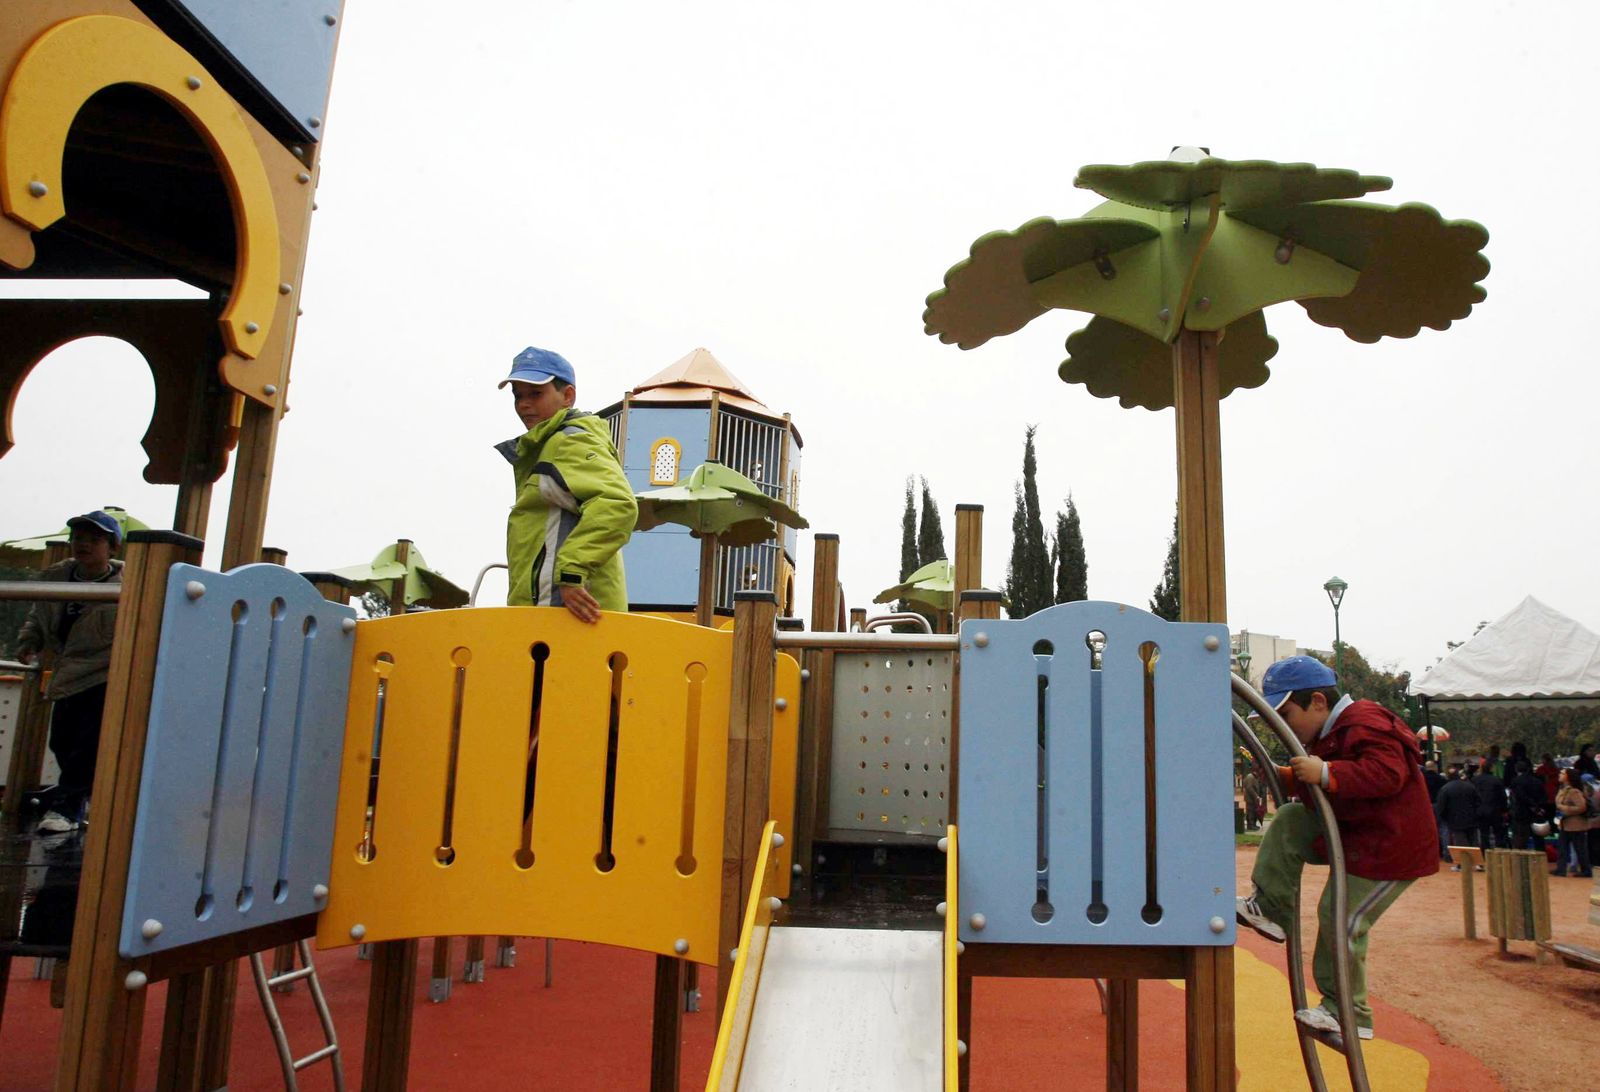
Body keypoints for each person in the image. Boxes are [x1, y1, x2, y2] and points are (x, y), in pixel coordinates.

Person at [1236, 656, 1437, 1044]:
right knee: (1292, 819)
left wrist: (1327, 773)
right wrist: (1294, 778)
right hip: (1356, 835)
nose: (1284, 727)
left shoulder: (1366, 720)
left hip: (1389, 849)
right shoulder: (1329, 735)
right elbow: (1331, 788)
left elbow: (1386, 773)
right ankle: (1271, 906)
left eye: (1287, 714)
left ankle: (1349, 1013)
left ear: (1317, 702)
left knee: (1341, 917)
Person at [495, 346, 636, 621]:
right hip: (554, 611)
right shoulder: (545, 446)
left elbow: (618, 505)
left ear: (567, 396)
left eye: (536, 394)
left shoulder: (569, 441)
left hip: (569, 613)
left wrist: (571, 573)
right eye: (518, 395)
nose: (524, 404)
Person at [12, 511, 123, 833]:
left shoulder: (127, 585)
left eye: (94, 540)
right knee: (61, 741)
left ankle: (68, 808)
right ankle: (76, 798)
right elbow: (40, 612)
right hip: (68, 673)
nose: (84, 545)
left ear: (112, 548)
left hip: (103, 673)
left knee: (86, 744)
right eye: (78, 538)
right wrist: (29, 640)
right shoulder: (58, 576)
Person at [1435, 766, 1480, 871]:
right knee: (1473, 841)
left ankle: (1462, 864)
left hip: (1455, 819)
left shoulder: (1445, 788)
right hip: (1471, 818)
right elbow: (1478, 801)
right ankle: (1477, 863)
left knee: (1460, 842)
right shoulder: (1470, 786)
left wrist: (1443, 817)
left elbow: (1441, 806)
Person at [1552, 768, 1593, 877]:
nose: (1559, 775)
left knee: (1580, 849)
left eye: (1562, 773)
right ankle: (1561, 869)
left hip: (1576, 825)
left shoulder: (1574, 791)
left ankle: (1586, 870)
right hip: (1565, 824)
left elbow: (1582, 807)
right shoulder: (1563, 789)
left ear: (1568, 777)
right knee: (1562, 849)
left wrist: (1564, 809)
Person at [1508, 759, 1549, 851]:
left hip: (1521, 813)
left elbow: (1520, 796)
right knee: (1538, 838)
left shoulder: (1516, 781)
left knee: (1520, 839)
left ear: (1516, 769)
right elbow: (1544, 796)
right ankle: (1540, 857)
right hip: (1536, 813)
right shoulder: (1537, 781)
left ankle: (1521, 860)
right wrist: (1538, 807)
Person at [1473, 759, 1509, 852]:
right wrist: (1505, 810)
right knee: (1498, 834)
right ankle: (1499, 852)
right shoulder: (1497, 780)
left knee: (1484, 834)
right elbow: (1503, 796)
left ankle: (1485, 853)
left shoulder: (1475, 780)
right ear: (1491, 769)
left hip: (1480, 810)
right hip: (1495, 810)